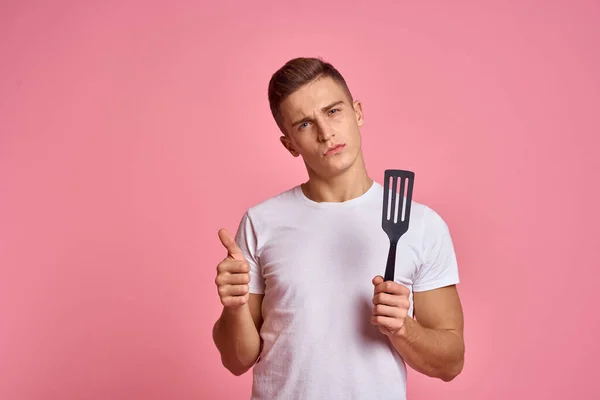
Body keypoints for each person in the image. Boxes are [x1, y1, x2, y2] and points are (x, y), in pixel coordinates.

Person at [212, 57, 465, 399]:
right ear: (289, 144)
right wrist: (234, 305)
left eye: (333, 111)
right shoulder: (261, 222)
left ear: (357, 112)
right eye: (304, 124)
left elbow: (450, 363)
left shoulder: (421, 225)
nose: (325, 132)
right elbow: (237, 360)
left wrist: (403, 328)